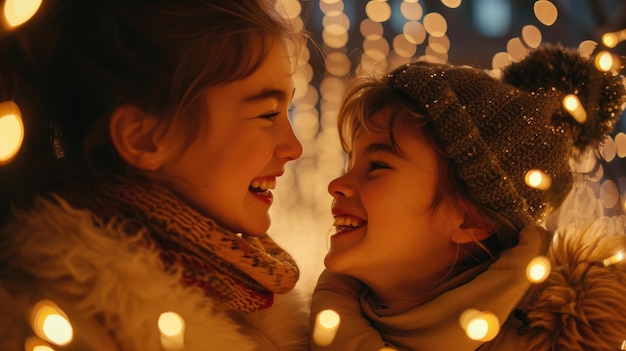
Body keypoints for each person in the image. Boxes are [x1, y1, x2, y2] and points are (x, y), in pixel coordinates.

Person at [0, 0, 310, 350]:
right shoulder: (54, 325)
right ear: (145, 138)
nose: (294, 147)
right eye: (267, 114)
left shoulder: (258, 303)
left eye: (287, 110)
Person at [310, 44, 626, 351]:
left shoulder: (560, 341)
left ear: (471, 220)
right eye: (349, 163)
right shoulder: (285, 332)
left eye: (377, 166)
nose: (336, 184)